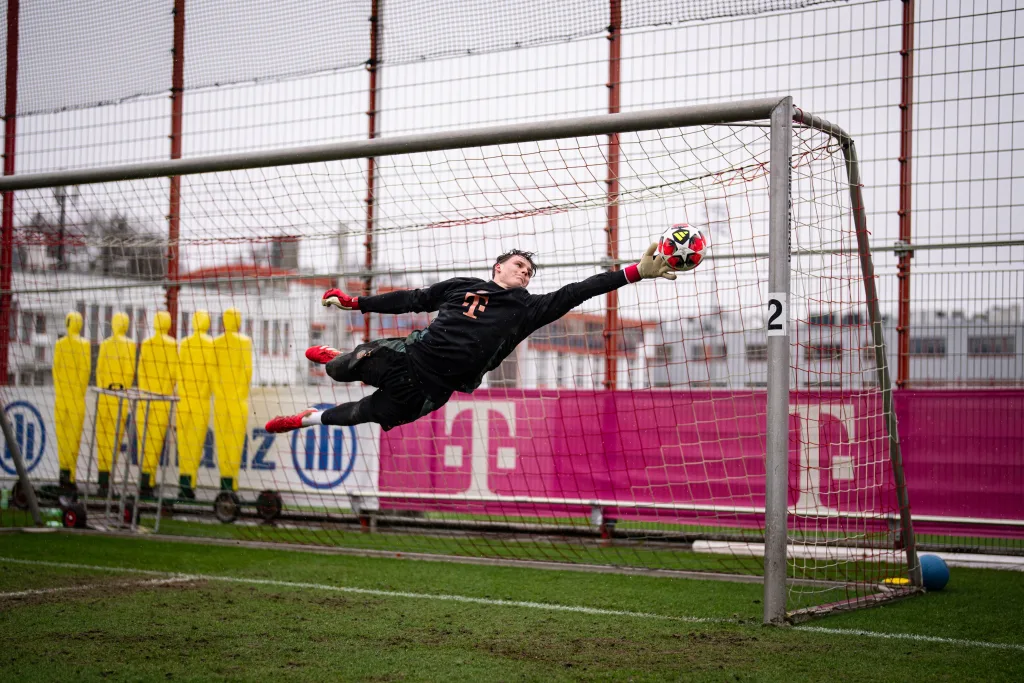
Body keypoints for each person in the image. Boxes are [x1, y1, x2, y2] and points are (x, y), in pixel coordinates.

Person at [265, 244, 676, 434]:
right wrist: (357, 302)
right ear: (497, 267)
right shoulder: (463, 286)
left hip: (432, 391)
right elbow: (413, 299)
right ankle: (339, 356)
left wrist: (635, 272)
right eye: (518, 266)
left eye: (529, 272)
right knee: (337, 370)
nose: (524, 274)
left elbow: (578, 290)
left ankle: (307, 419)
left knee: (360, 415)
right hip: (408, 358)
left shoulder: (528, 310)